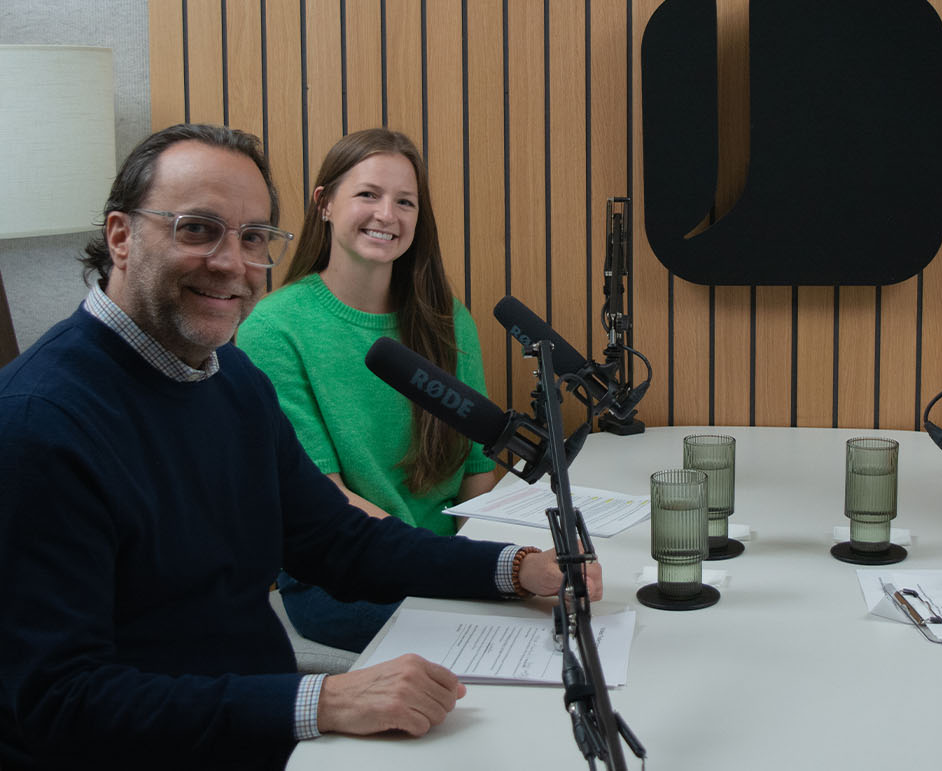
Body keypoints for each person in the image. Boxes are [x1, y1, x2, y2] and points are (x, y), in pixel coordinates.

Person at [0, 123, 601, 771]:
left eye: (253, 238)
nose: (232, 263)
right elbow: (60, 702)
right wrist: (323, 700)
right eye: (197, 228)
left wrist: (512, 568)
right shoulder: (39, 423)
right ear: (121, 236)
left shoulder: (232, 381)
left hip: (265, 739)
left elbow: (339, 540)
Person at [237, 128, 495, 652]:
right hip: (342, 580)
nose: (388, 215)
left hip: (446, 564)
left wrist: (487, 563)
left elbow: (477, 475)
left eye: (405, 202)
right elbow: (326, 502)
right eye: (368, 195)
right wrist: (459, 574)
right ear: (324, 203)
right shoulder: (273, 329)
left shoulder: (446, 320)